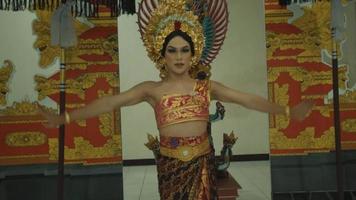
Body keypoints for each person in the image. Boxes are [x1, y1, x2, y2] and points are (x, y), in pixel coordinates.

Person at [39, 0, 314, 199]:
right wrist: (66, 117)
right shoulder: (151, 90)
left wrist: (286, 110)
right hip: (170, 165)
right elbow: (111, 102)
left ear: (193, 54)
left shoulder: (207, 86)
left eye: (184, 50)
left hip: (202, 164)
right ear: (163, 55)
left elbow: (246, 100)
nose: (179, 56)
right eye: (172, 50)